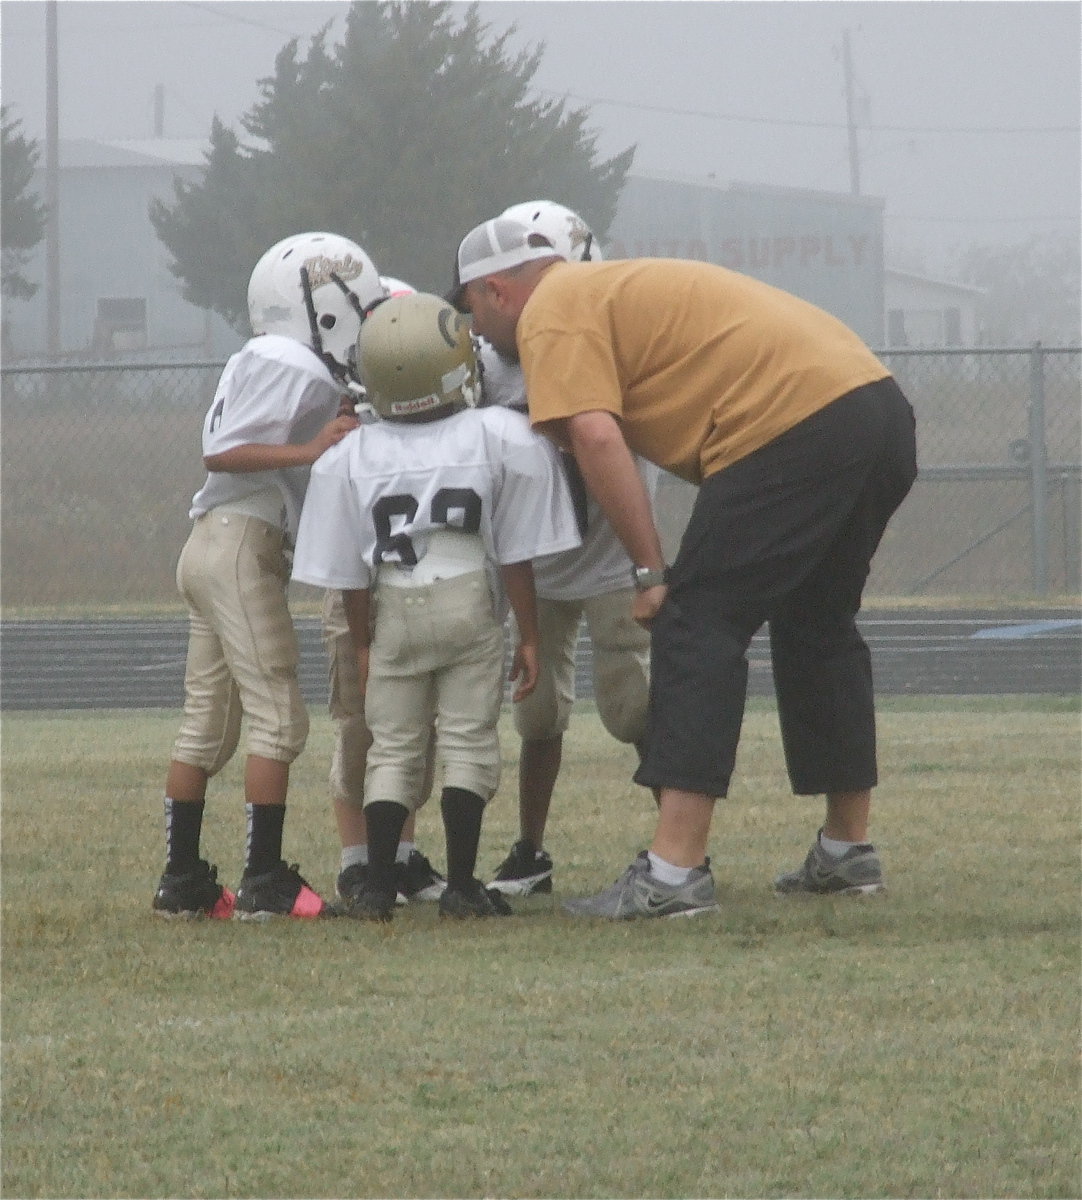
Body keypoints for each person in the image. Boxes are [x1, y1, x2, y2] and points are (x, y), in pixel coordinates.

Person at [454, 215, 919, 919]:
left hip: (793, 422)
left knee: (695, 621)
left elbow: (595, 435)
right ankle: (846, 850)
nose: (478, 332)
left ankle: (671, 876)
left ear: (495, 290)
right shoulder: (604, 287)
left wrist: (650, 572)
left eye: (473, 312)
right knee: (818, 626)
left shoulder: (551, 308)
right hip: (877, 406)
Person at [291, 291, 582, 921]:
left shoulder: (350, 456)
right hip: (466, 601)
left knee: (392, 747)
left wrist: (364, 642)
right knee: (467, 741)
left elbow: (348, 574)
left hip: (393, 601)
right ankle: (461, 884)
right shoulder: (499, 434)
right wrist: (529, 634)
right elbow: (516, 554)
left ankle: (374, 886)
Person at [152, 231, 383, 920]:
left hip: (209, 545)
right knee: (279, 720)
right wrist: (314, 446)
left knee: (207, 727)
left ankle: (183, 880)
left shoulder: (265, 354)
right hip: (240, 545)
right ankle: (263, 880)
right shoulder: (294, 362)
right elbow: (222, 453)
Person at [465, 201, 656, 900]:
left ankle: (678, 846)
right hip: (532, 561)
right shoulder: (482, 362)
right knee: (536, 713)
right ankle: (530, 849)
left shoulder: (609, 338)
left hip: (607, 549)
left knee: (632, 706)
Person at [321, 276, 447, 911]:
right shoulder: (347, 423)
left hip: (418, 560)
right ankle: (355, 860)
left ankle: (398, 855)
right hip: (366, 560)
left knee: (411, 716)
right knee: (358, 713)